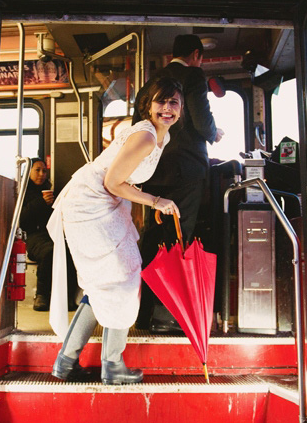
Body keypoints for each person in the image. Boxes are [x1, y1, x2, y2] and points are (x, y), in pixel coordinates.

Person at [47, 77, 183, 385]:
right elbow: (112, 182)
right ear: (148, 106)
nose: (167, 109)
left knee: (104, 281)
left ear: (181, 109)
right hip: (91, 203)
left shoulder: (163, 137)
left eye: (173, 103)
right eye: (160, 101)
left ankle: (66, 362)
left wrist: (146, 203)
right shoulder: (147, 137)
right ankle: (112, 364)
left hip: (103, 202)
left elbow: (121, 179)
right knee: (122, 276)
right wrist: (156, 202)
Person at [131, 34, 223, 332]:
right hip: (186, 173)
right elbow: (201, 121)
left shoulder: (150, 83)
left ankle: (142, 313)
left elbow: (138, 127)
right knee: (178, 238)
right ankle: (170, 313)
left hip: (153, 171)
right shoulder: (193, 76)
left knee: (151, 239)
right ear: (196, 54)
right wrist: (214, 132)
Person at [20, 158, 79, 311]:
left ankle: (67, 296)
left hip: (51, 234)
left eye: (44, 171)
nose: (41, 174)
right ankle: (42, 295)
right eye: (37, 170)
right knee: (49, 252)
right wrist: (41, 202)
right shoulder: (22, 193)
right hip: (33, 236)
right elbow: (23, 221)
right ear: (28, 172)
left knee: (69, 251)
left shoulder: (51, 192)